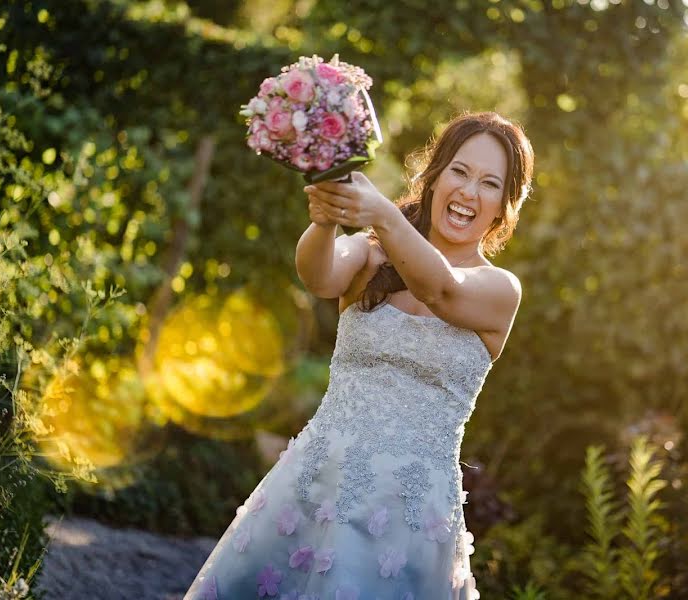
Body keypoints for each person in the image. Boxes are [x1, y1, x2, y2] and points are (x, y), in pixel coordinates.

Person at [184, 111, 534, 600]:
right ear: (433, 178)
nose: (468, 193)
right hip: (318, 484)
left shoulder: (499, 289)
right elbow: (320, 276)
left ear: (504, 206)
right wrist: (325, 221)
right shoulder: (371, 254)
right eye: (459, 171)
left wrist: (383, 213)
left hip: (409, 515)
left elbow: (440, 290)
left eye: (489, 183)